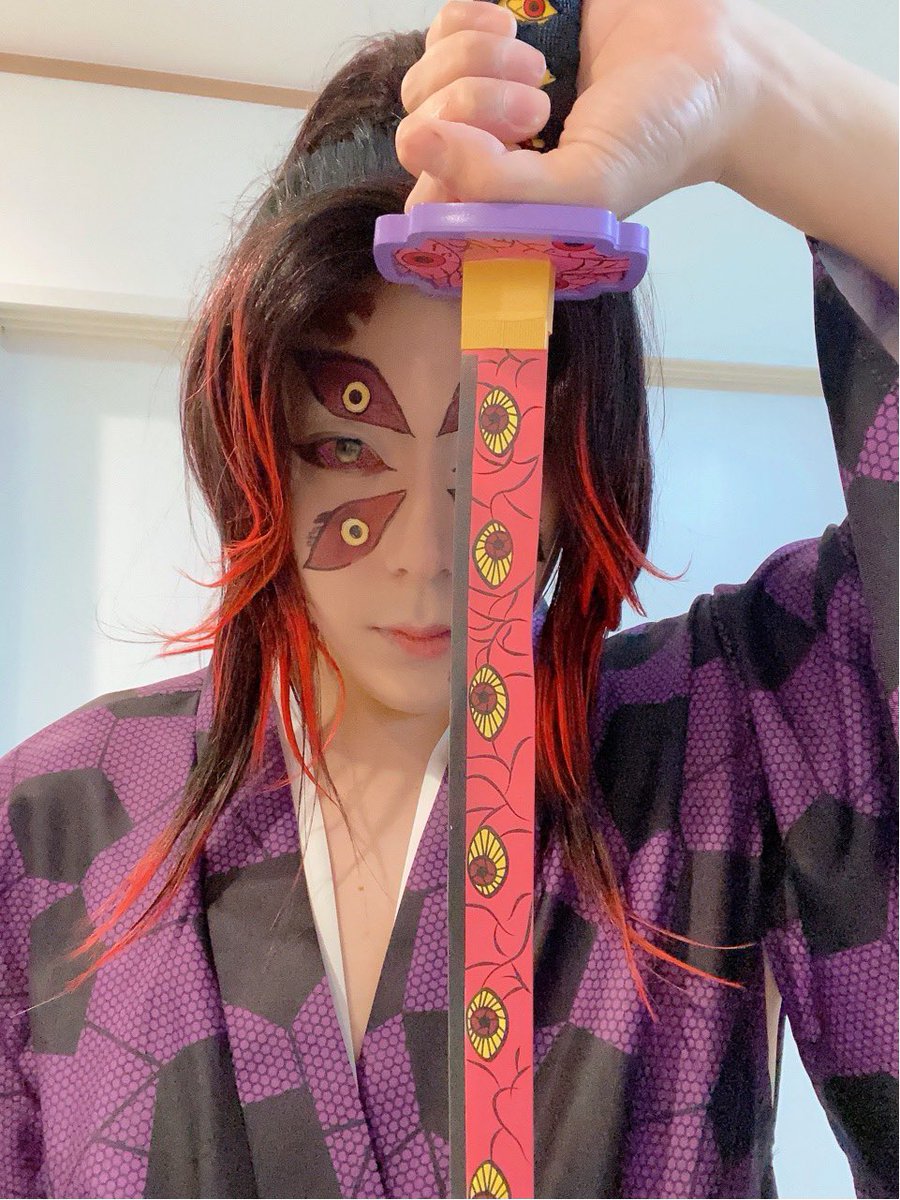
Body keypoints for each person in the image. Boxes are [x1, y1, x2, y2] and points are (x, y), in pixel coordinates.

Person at [1, 0, 896, 1196]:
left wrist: (752, 89)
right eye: (346, 446)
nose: (432, 554)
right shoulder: (57, 827)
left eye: (498, 444)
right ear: (253, 443)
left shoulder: (727, 736)